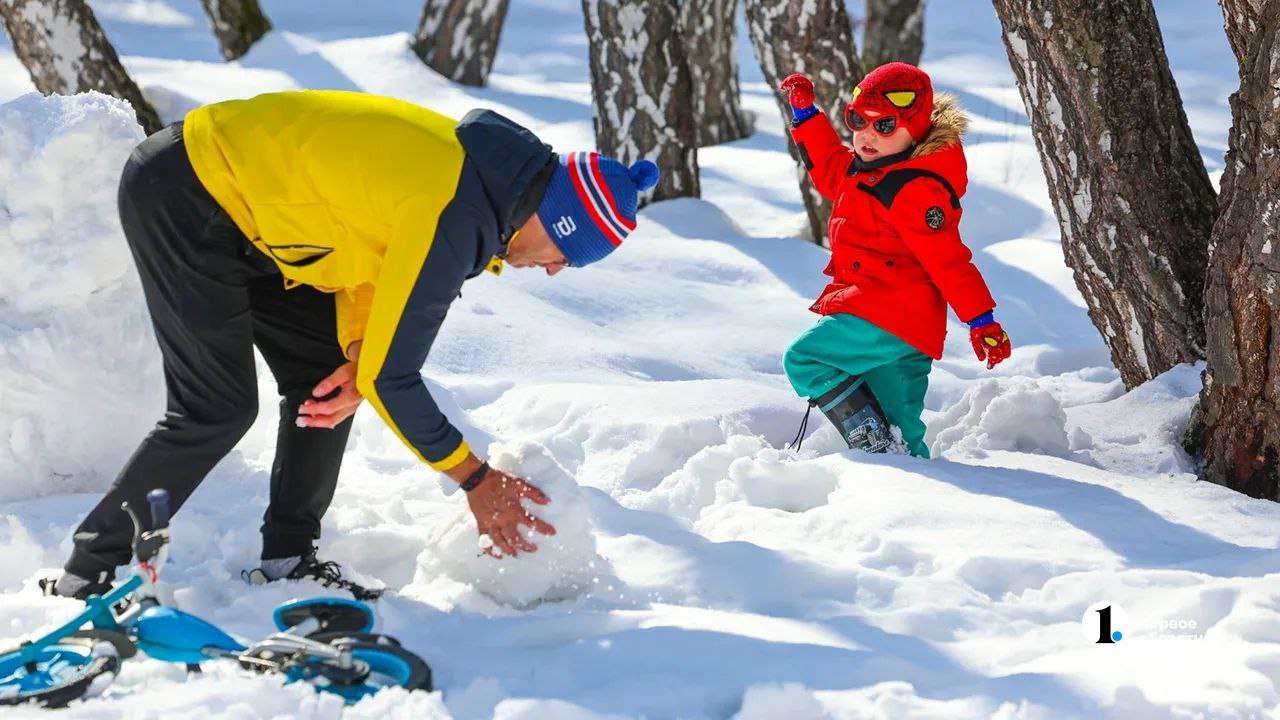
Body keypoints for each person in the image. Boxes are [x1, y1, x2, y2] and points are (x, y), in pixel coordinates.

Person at [46, 90, 660, 600]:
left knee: (324, 376)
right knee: (217, 407)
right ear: (558, 221)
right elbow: (398, 377)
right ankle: (89, 569)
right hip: (189, 191)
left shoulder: (481, 187)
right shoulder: (458, 207)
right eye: (567, 257)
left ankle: (288, 559)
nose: (554, 270)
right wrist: (475, 478)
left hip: (256, 218)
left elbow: (376, 265)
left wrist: (360, 355)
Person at [778, 62, 1011, 457]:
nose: (867, 135)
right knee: (901, 427)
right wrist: (807, 116)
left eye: (884, 125)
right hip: (902, 327)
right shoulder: (866, 167)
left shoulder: (915, 189)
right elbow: (831, 169)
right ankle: (908, 481)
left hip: (884, 310)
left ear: (915, 129)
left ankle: (875, 447)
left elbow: (948, 260)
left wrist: (980, 319)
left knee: (805, 359)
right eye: (857, 120)